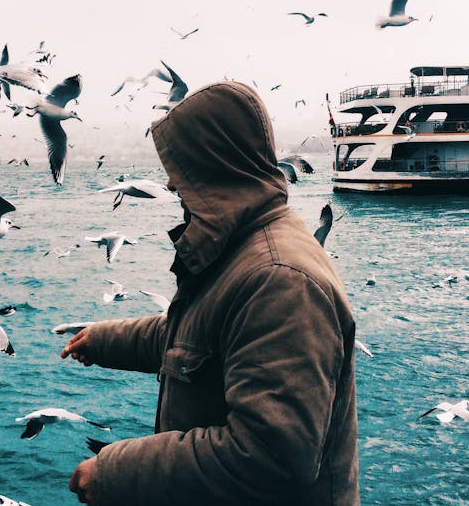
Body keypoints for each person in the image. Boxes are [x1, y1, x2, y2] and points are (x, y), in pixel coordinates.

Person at [62, 81, 359, 506]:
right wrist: (105, 340)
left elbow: (271, 456)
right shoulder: (242, 249)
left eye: (181, 168)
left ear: (213, 165)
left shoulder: (280, 279)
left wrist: (117, 473)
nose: (169, 184)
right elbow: (198, 339)